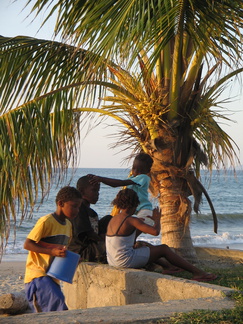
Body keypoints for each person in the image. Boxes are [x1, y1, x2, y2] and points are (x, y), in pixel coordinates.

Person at [105, 188, 217, 282]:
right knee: (163, 249)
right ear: (134, 204)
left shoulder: (114, 219)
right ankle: (198, 273)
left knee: (143, 244)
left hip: (113, 260)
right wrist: (157, 219)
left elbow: (126, 239)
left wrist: (139, 228)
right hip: (124, 261)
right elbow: (155, 232)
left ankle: (168, 267)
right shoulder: (131, 220)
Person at [24, 186, 82, 313]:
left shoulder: (68, 225)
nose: (77, 210)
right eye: (74, 206)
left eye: (79, 207)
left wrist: (72, 258)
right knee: (58, 305)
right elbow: (28, 244)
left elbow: (63, 249)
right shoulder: (46, 221)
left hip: (52, 275)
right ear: (61, 203)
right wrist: (51, 252)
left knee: (53, 310)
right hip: (37, 275)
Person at [88, 152, 154, 225]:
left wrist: (101, 179)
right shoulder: (133, 178)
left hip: (144, 209)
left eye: (140, 170)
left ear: (147, 171)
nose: (135, 172)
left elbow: (120, 183)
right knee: (130, 230)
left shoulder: (144, 177)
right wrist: (99, 179)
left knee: (136, 229)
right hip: (135, 211)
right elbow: (115, 185)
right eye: (134, 168)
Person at [68, 175, 112, 263]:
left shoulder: (90, 211)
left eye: (98, 190)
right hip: (82, 251)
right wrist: (106, 242)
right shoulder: (79, 209)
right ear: (81, 191)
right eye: (94, 190)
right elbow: (88, 233)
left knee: (109, 219)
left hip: (91, 246)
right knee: (115, 247)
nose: (97, 193)